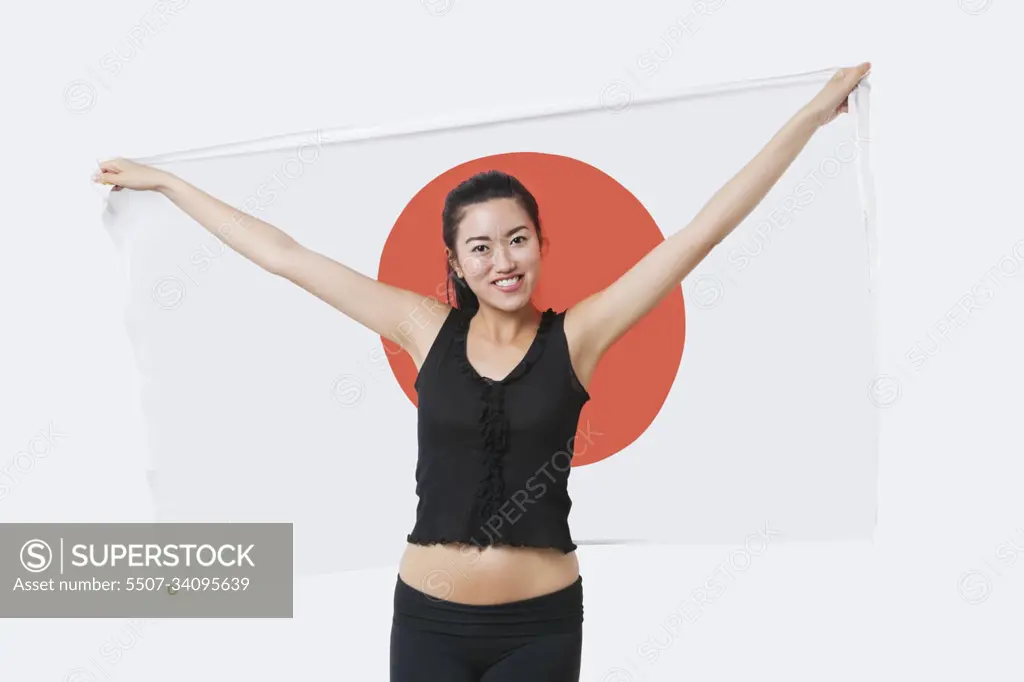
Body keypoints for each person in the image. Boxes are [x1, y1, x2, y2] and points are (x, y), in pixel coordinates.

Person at [92, 62, 870, 681]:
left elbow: (700, 233)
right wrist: (168, 183)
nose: (503, 260)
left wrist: (809, 114)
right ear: (457, 265)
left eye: (518, 239)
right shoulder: (421, 326)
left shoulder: (581, 334)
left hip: (539, 630)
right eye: (481, 247)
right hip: (428, 625)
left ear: (540, 244)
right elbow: (286, 257)